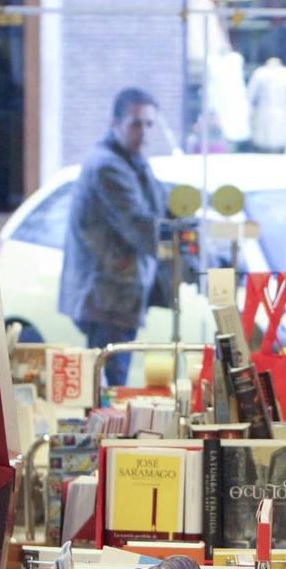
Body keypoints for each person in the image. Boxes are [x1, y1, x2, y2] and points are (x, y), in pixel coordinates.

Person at [59, 88, 172, 385]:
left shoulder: (131, 160)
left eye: (150, 124)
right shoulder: (109, 165)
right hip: (107, 296)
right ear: (115, 123)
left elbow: (161, 206)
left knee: (108, 380)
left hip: (116, 295)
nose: (144, 132)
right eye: (136, 123)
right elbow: (139, 224)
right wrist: (182, 240)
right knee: (109, 384)